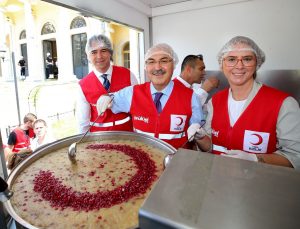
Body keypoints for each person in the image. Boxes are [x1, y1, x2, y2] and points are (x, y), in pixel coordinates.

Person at [195, 36, 300, 169]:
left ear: (257, 63)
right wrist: (200, 138)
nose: (239, 66)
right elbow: (210, 147)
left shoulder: (283, 104)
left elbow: (296, 157)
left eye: (247, 59)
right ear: (222, 64)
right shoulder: (214, 102)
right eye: (231, 59)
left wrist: (256, 159)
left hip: (262, 185)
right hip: (218, 181)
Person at [96, 43, 211, 150]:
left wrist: (200, 137)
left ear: (174, 65)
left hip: (177, 166)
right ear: (145, 67)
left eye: (164, 61)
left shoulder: (190, 97)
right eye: (151, 62)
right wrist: (105, 97)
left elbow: (207, 147)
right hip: (143, 165)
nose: (157, 67)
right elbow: (112, 98)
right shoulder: (132, 93)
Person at [76, 34, 137, 134]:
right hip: (99, 140)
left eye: (103, 50)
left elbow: (138, 107)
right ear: (88, 56)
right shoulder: (83, 85)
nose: (99, 56)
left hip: (127, 136)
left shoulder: (128, 75)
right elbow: (83, 123)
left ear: (110, 53)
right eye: (94, 52)